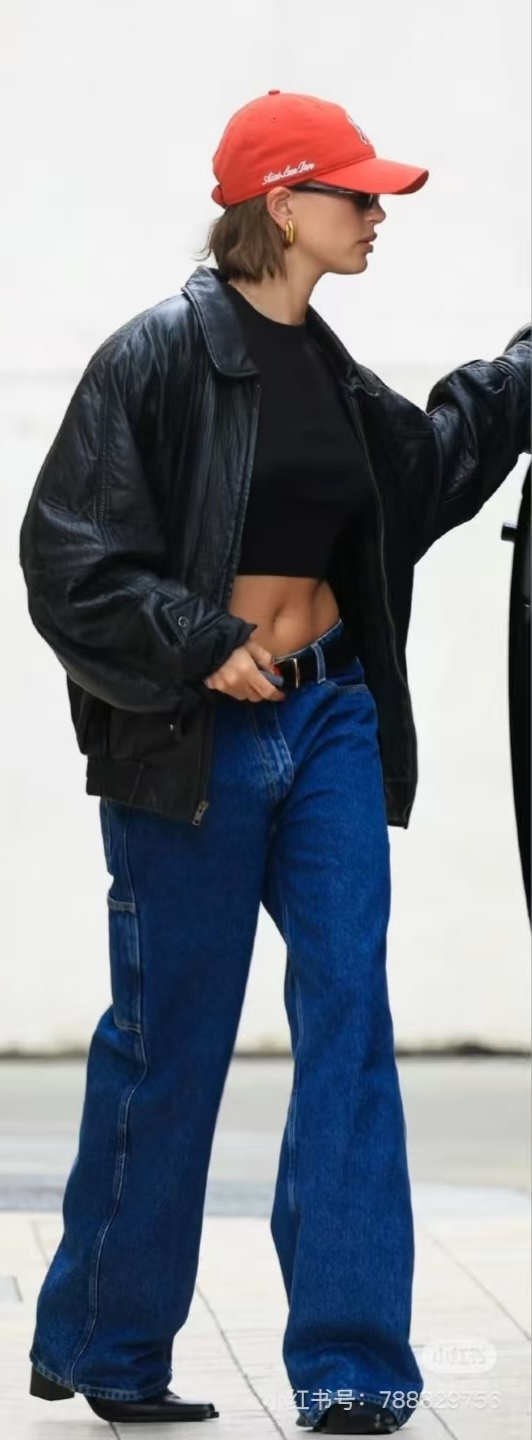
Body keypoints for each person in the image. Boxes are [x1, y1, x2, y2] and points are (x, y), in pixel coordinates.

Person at [18, 89, 530, 1434]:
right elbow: (66, 558)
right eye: (357, 194)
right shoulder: (155, 357)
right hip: (197, 738)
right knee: (172, 1039)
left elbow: (429, 471)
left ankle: (353, 1365)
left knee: (349, 1017)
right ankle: (111, 1342)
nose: (378, 214)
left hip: (333, 716)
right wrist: (199, 643)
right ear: (282, 205)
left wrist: (524, 369)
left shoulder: (330, 371)